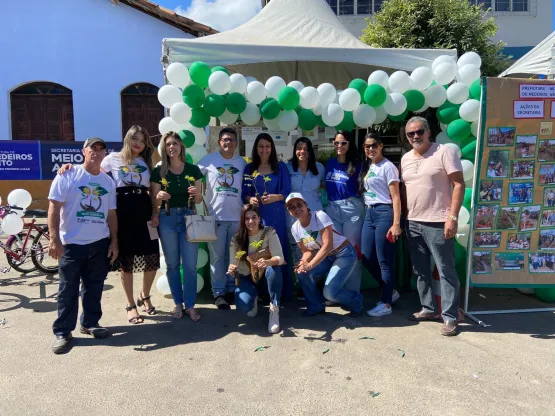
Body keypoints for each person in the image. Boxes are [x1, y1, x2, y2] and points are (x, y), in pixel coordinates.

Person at [56, 125, 159, 324]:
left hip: (145, 212)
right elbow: (93, 174)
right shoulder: (112, 158)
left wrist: (155, 212)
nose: (139, 143)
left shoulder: (147, 161)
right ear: (127, 139)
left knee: (152, 259)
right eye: (135, 138)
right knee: (126, 262)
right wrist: (70, 166)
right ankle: (131, 305)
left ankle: (144, 294)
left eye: (143, 140)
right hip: (123, 213)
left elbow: (152, 192)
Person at [48, 137, 118, 354]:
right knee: (67, 289)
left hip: (99, 243)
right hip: (71, 244)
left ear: (105, 153)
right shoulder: (68, 174)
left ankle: (90, 323)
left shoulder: (107, 182)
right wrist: (54, 239)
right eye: (92, 148)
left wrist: (115, 240)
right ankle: (63, 331)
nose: (96, 152)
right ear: (84, 151)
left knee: (94, 286)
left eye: (101, 149)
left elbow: (111, 214)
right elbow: (53, 208)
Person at [401, 116, 465, 336]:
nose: (416, 136)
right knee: (420, 270)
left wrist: (452, 218)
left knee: (446, 270)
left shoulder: (444, 152)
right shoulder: (406, 158)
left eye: (419, 131)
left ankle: (450, 317)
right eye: (411, 134)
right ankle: (428, 309)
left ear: (428, 131)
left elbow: (459, 184)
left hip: (439, 221)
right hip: (414, 222)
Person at [150, 132, 203, 321]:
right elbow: (153, 201)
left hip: (188, 217)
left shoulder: (193, 170)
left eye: (175, 143)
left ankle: (190, 305)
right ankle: (177, 304)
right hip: (167, 218)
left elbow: (198, 199)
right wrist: (158, 197)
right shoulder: (159, 171)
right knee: (172, 265)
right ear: (164, 148)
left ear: (181, 146)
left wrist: (197, 192)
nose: (171, 147)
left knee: (190, 265)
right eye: (168, 144)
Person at [287, 193, 363, 317]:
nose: (297, 209)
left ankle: (356, 300)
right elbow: (307, 251)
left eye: (299, 204)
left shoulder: (319, 216)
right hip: (327, 257)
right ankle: (316, 305)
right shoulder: (295, 228)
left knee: (330, 293)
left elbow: (327, 246)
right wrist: (302, 264)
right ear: (289, 211)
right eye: (292, 207)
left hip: (344, 253)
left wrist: (310, 264)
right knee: (301, 273)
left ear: (306, 205)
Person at [198, 127, 247, 310]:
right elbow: (193, 174)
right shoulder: (209, 160)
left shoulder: (242, 163)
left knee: (233, 257)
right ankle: (218, 293)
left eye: (231, 140)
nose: (228, 143)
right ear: (219, 142)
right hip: (216, 218)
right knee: (217, 257)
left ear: (236, 143)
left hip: (237, 218)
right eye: (225, 139)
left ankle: (229, 289)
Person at [243, 133, 292, 300]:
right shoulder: (250, 169)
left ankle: (280, 293)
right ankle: (261, 291)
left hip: (275, 215)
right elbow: (244, 193)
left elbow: (287, 192)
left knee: (276, 251)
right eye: (261, 146)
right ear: (256, 148)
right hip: (256, 217)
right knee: (257, 251)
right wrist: (251, 199)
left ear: (272, 148)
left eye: (267, 146)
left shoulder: (281, 167)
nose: (264, 150)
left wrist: (275, 197)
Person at [358, 132, 402, 317]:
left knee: (384, 261)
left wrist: (396, 223)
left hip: (385, 212)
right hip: (369, 213)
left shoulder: (388, 167)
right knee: (367, 257)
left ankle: (386, 304)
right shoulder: (369, 166)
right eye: (367, 146)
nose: (370, 149)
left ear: (381, 145)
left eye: (374, 145)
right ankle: (390, 291)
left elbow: (396, 197)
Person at [228, 205, 284, 333]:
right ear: (243, 220)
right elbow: (233, 263)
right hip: (247, 276)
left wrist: (267, 261)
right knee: (243, 306)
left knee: (274, 270)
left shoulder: (269, 232)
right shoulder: (236, 239)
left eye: (254, 217)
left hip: (266, 275)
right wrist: (232, 269)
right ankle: (253, 299)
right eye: (247, 218)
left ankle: (274, 308)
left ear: (259, 219)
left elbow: (280, 258)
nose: (251, 221)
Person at [286, 137, 325, 298]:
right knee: (299, 253)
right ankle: (303, 287)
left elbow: (324, 186)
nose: (302, 151)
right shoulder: (287, 167)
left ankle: (315, 286)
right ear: (295, 150)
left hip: (315, 219)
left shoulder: (319, 168)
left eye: (306, 148)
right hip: (294, 219)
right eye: (299, 148)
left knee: (317, 252)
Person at [324, 130, 363, 248]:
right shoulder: (330, 163)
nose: (339, 146)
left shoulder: (357, 164)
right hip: (332, 208)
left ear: (349, 144)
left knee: (351, 246)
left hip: (350, 208)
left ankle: (355, 267)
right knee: (336, 246)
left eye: (343, 143)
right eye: (336, 143)